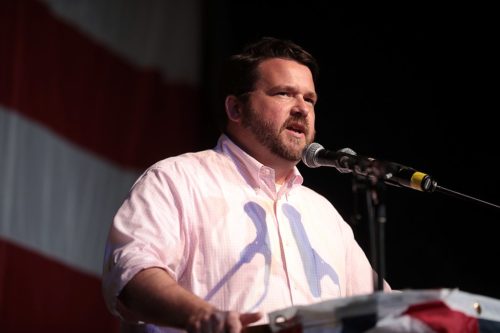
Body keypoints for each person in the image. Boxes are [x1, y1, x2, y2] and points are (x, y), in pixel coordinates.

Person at [102, 36, 390, 333]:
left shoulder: (323, 214)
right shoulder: (177, 180)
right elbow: (131, 274)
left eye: (309, 99)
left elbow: (383, 309)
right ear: (236, 109)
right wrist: (201, 315)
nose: (302, 109)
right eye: (283, 94)